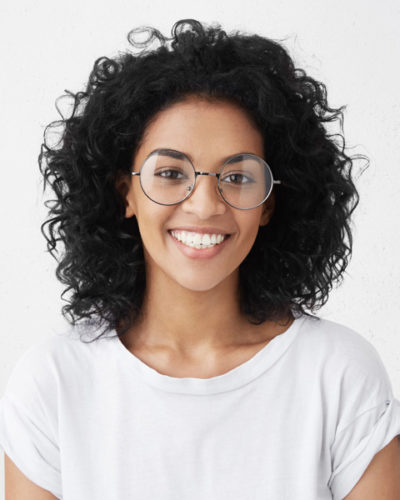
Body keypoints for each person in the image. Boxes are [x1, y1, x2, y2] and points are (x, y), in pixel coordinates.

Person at [1, 18, 399, 500]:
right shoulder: (53, 384)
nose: (205, 205)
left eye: (238, 177)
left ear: (269, 204)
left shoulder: (339, 375)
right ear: (126, 193)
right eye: (171, 173)